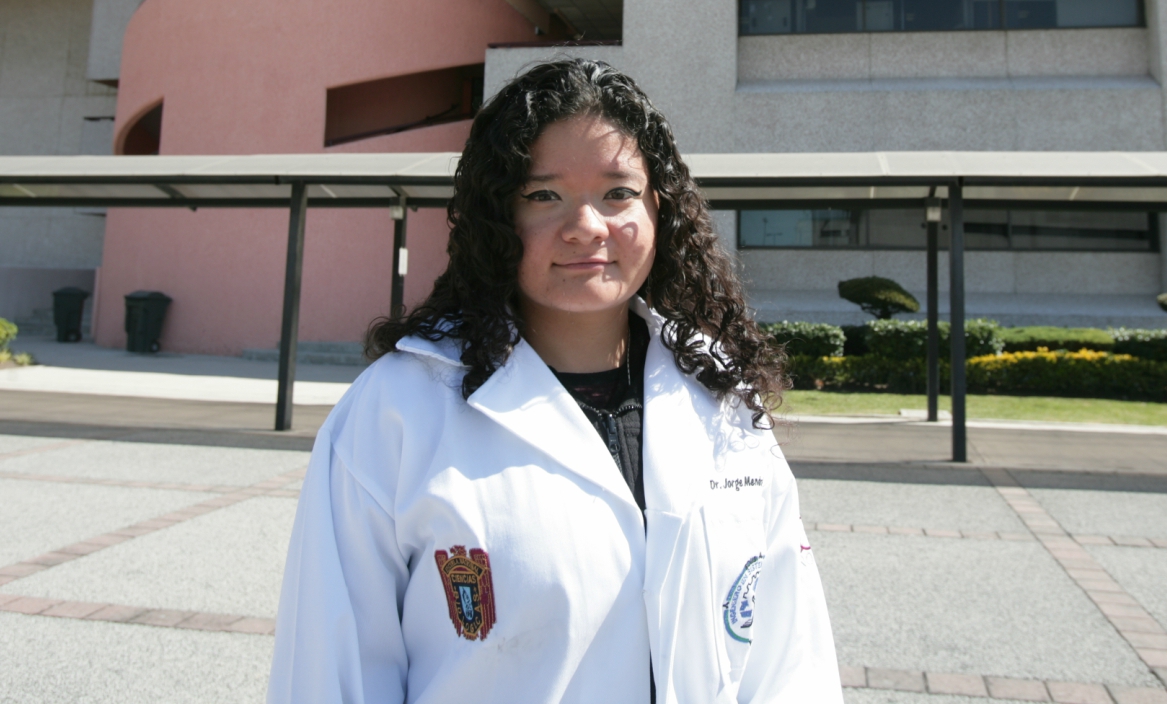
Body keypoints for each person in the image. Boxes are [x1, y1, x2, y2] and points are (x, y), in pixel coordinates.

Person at [268, 59, 841, 704]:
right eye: (543, 195)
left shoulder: (722, 401)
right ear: (497, 218)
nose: (587, 226)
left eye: (618, 193)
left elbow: (791, 657)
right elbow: (329, 672)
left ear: (660, 208)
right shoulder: (395, 411)